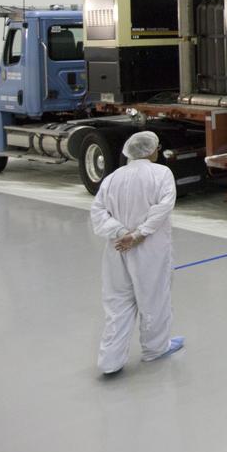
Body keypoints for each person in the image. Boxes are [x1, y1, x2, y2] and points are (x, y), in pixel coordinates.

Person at [88, 131, 184, 375]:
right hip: (150, 250)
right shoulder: (161, 174)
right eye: (157, 147)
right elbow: (163, 208)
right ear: (151, 150)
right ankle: (156, 349)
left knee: (117, 302)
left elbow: (97, 211)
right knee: (154, 299)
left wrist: (120, 232)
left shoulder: (112, 178)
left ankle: (109, 360)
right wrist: (138, 234)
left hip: (117, 248)